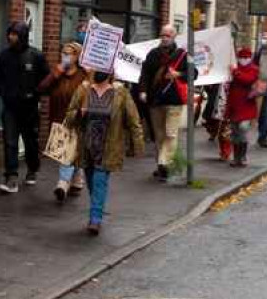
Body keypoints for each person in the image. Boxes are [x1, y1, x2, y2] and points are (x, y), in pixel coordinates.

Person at [63, 70, 145, 235]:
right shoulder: (84, 90)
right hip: (86, 147)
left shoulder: (120, 93)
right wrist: (80, 112)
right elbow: (68, 118)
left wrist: (138, 144)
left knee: (100, 181)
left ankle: (95, 220)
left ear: (110, 73)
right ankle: (97, 208)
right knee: (93, 182)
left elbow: (133, 119)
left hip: (108, 147)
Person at [0, 21, 48, 193]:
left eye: (15, 34)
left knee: (30, 141)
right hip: (10, 106)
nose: (11, 37)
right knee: (10, 142)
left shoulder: (36, 56)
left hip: (29, 107)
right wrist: (3, 93)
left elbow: (45, 80)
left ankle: (32, 169)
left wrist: (36, 94)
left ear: (23, 36)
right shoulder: (4, 56)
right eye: (10, 34)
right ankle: (11, 177)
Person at [37, 41, 87, 202]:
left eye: (69, 53)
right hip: (59, 119)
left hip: (78, 119)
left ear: (77, 56)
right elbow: (41, 89)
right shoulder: (58, 73)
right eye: (63, 53)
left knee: (69, 151)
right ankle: (78, 176)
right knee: (71, 151)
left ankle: (62, 184)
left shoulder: (83, 74)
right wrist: (54, 75)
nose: (65, 56)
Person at [139, 25, 189, 181]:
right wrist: (143, 91)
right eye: (162, 34)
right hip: (156, 100)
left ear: (174, 37)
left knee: (171, 133)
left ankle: (164, 163)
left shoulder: (183, 55)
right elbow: (145, 74)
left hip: (174, 101)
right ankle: (161, 165)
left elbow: (193, 74)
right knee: (159, 135)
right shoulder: (153, 54)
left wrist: (178, 73)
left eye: (168, 35)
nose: (165, 37)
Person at [226, 48, 259, 167]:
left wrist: (235, 72)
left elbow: (248, 80)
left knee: (243, 128)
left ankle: (243, 156)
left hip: (247, 104)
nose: (244, 60)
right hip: (234, 104)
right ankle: (236, 157)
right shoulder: (234, 67)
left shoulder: (254, 69)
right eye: (242, 57)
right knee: (235, 132)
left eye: (246, 57)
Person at [202, 82, 232, 162]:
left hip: (228, 105)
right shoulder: (217, 78)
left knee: (225, 131)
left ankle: (225, 153)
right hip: (215, 106)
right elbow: (208, 90)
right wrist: (208, 86)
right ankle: (224, 152)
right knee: (218, 128)